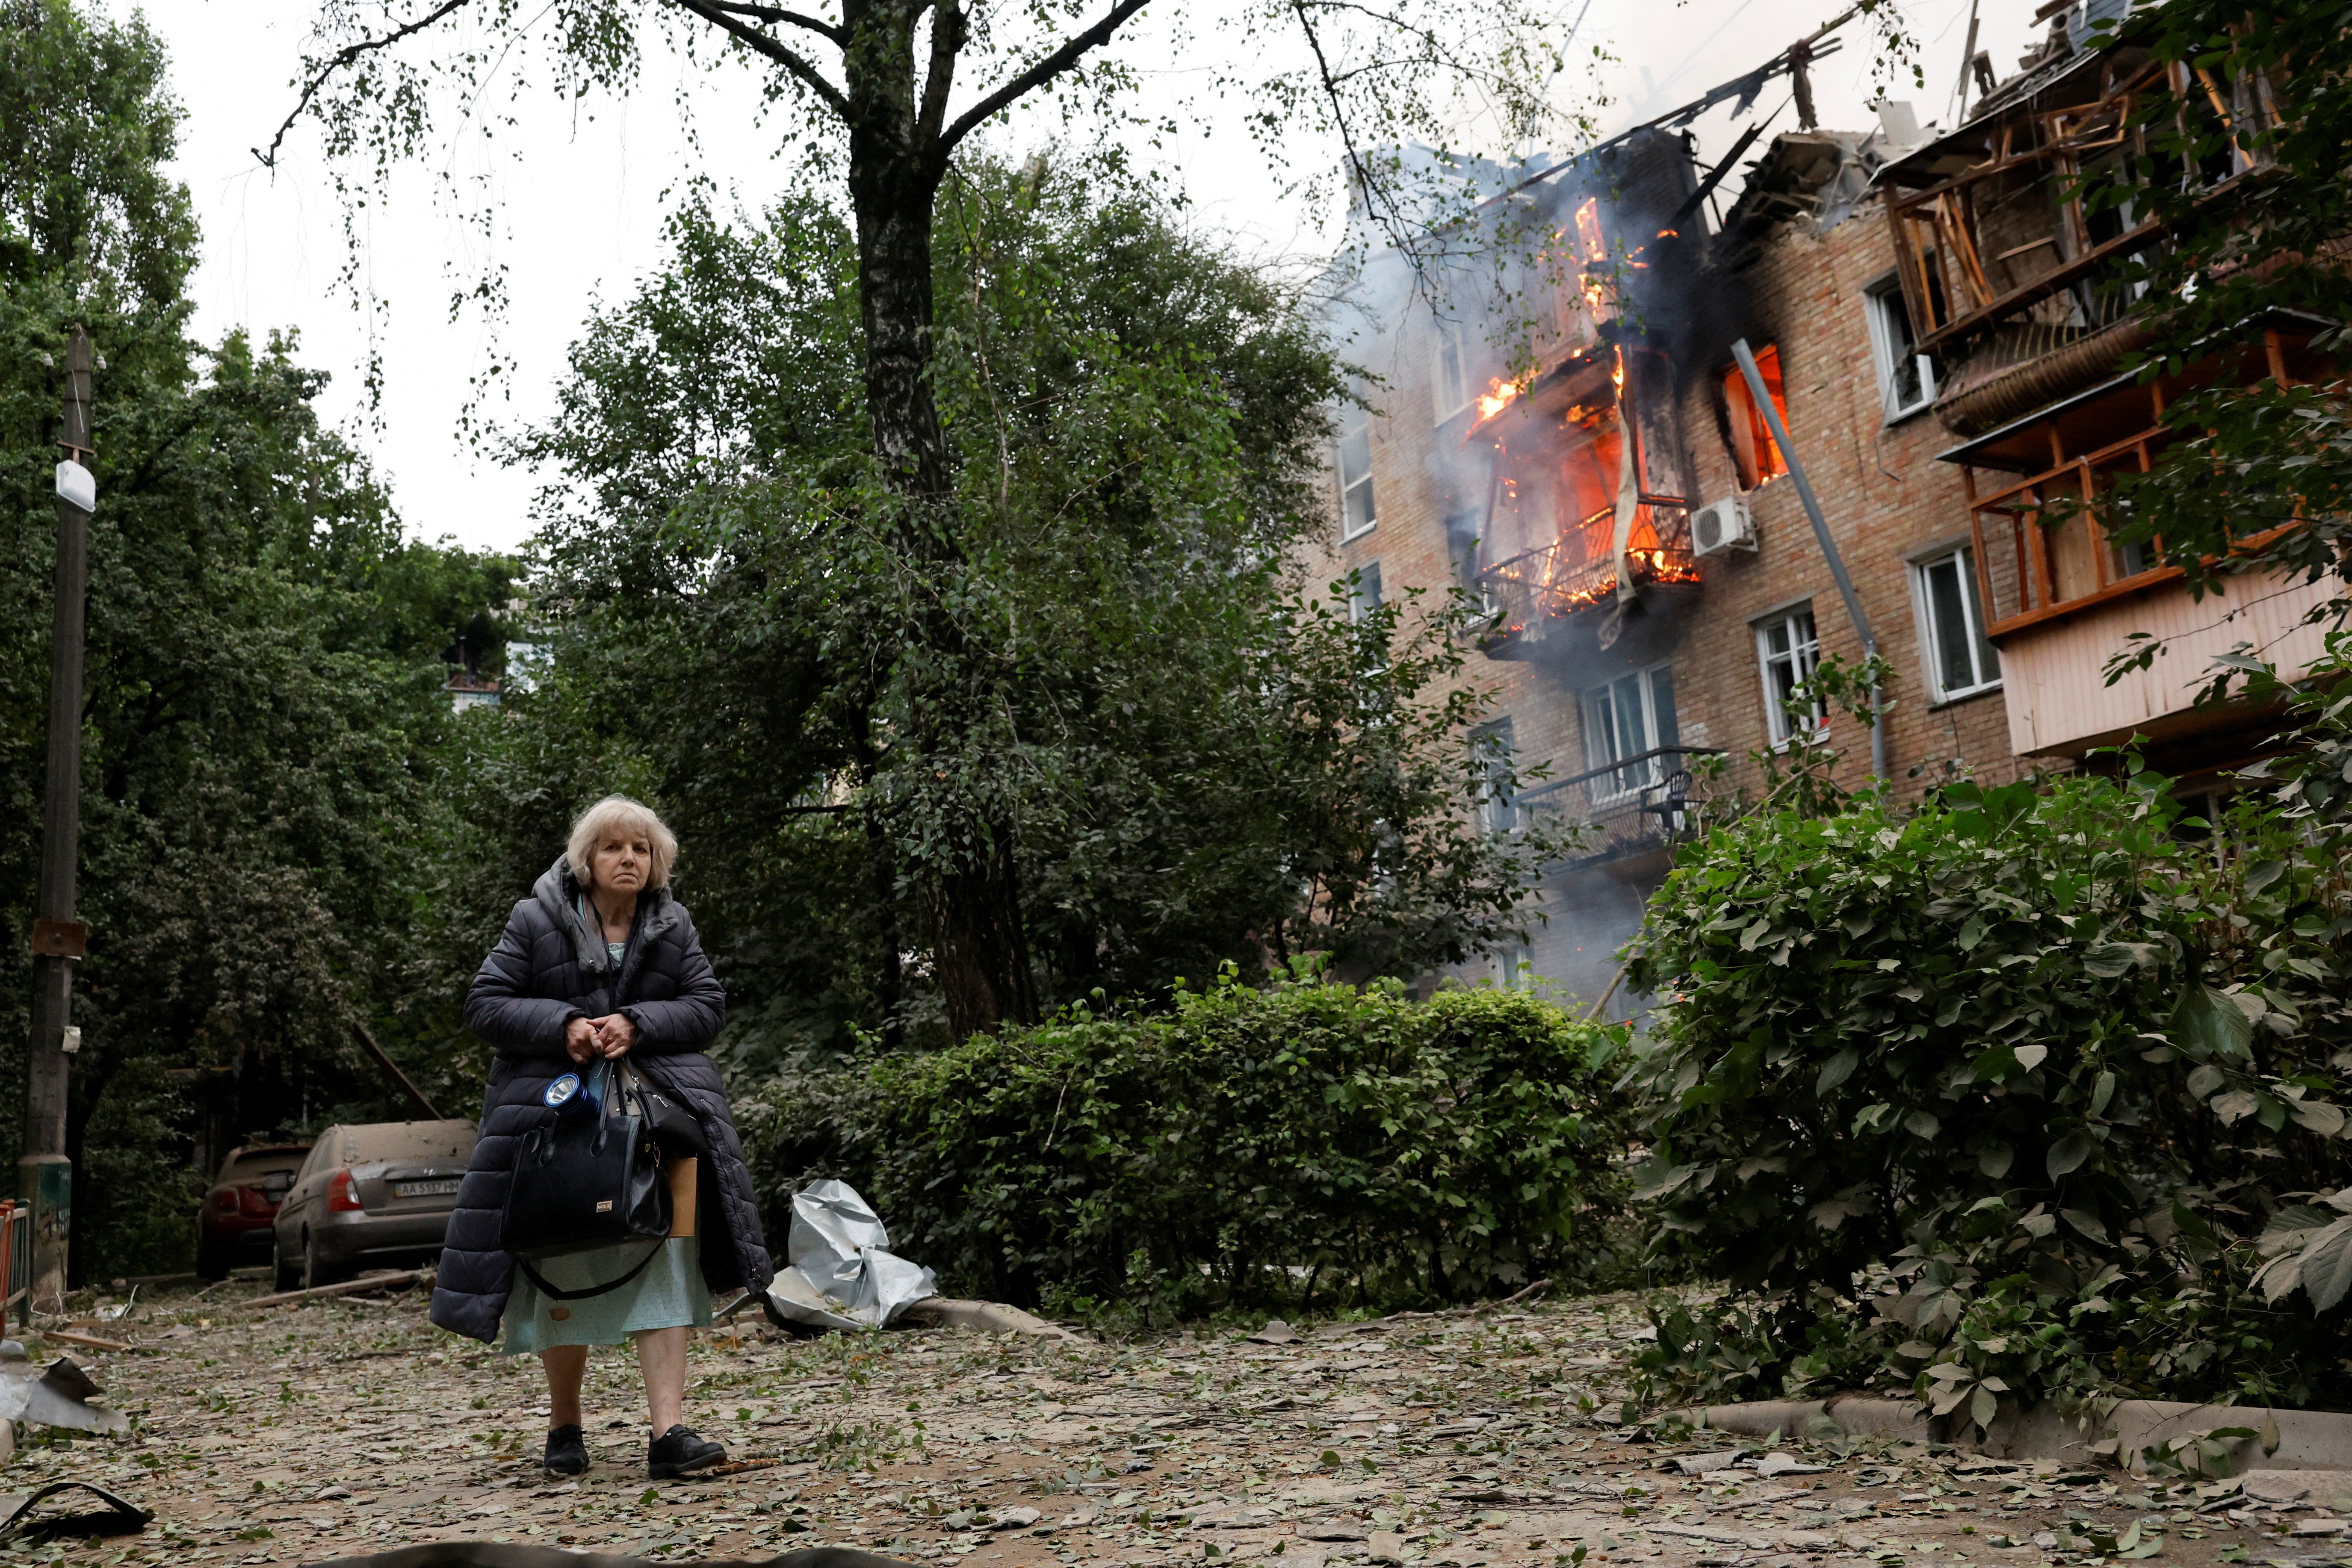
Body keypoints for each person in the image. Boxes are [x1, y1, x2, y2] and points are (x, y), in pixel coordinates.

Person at [430, 794, 773, 1478]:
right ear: (586, 859)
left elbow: (707, 1007)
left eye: (641, 849)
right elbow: (484, 1002)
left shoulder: (673, 925)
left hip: (657, 1124)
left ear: (656, 864)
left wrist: (638, 1023)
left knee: (668, 1262)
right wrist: (563, 1026)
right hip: (559, 1127)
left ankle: (669, 1434)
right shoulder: (535, 919)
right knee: (563, 1264)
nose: (629, 859)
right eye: (615, 847)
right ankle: (565, 1429)